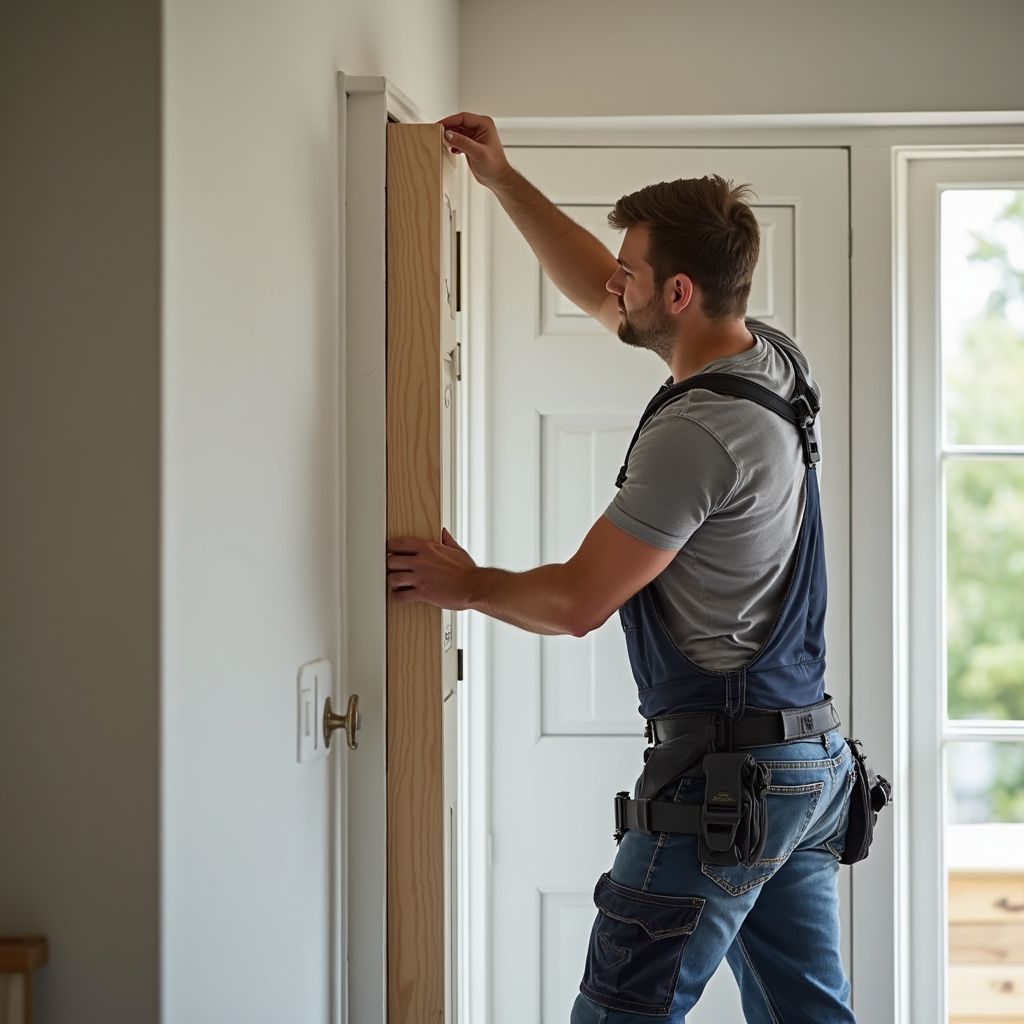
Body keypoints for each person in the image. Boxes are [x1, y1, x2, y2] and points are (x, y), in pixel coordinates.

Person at [385, 111, 858, 1023]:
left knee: (619, 1014)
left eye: (631, 272)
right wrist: (502, 179)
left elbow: (575, 603)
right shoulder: (772, 361)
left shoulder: (697, 434)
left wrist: (467, 583)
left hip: (729, 781)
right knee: (808, 1015)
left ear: (678, 292)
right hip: (806, 762)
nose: (614, 285)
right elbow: (602, 295)